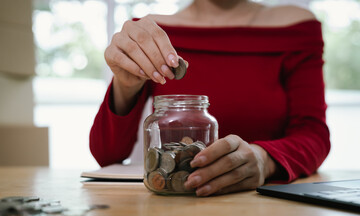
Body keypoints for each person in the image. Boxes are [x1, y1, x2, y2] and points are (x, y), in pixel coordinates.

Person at [90, 0, 331, 197]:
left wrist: (264, 160)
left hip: (267, 203)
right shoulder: (150, 34)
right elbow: (107, 155)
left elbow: (313, 135)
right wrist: (126, 83)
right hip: (175, 209)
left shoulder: (297, 28)